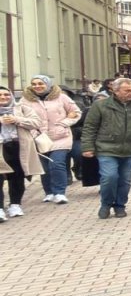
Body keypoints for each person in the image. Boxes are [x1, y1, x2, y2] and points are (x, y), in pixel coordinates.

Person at [82, 78, 131, 219]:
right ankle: (106, 204)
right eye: (127, 90)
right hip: (106, 147)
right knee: (109, 177)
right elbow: (90, 127)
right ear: (115, 90)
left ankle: (120, 205)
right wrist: (87, 147)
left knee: (125, 180)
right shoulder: (101, 105)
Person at [22, 75, 81, 204]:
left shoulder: (62, 97)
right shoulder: (25, 100)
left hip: (61, 137)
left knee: (57, 163)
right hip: (39, 138)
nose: (37, 86)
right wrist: (33, 132)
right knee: (45, 167)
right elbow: (22, 118)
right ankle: (49, 192)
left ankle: (59, 192)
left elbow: (76, 112)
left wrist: (64, 123)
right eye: (34, 84)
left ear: (47, 84)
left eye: (40, 83)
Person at [0, 86, 42, 221]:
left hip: (19, 146)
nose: (3, 97)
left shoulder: (22, 108)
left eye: (6, 94)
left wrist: (17, 120)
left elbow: (36, 122)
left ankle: (15, 204)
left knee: (17, 176)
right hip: (1, 146)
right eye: (0, 95)